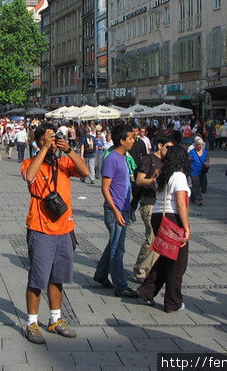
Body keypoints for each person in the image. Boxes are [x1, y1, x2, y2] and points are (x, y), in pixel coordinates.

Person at [21, 123, 89, 344]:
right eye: (46, 139)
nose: (51, 144)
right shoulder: (31, 162)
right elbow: (29, 177)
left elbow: (85, 172)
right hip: (40, 228)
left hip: (64, 228)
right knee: (37, 278)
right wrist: (44, 148)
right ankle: (31, 322)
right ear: (38, 140)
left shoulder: (64, 161)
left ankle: (55, 319)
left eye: (53, 139)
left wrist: (68, 149)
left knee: (58, 277)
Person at [136, 145, 192, 312]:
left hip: (158, 215)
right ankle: (172, 302)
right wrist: (187, 227)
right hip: (172, 217)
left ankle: (146, 291)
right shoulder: (179, 176)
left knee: (167, 257)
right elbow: (181, 204)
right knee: (178, 263)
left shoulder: (163, 173)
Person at [93, 124, 141, 298]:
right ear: (122, 140)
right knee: (118, 249)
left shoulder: (123, 157)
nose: (133, 140)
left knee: (113, 244)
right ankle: (120, 285)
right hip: (116, 210)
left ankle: (100, 274)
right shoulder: (112, 158)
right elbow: (105, 188)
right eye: (130, 138)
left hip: (123, 208)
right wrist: (116, 211)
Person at [133, 137, 174, 282]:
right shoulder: (149, 159)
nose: (169, 151)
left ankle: (146, 268)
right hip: (148, 202)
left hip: (161, 204)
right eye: (167, 147)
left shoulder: (168, 162)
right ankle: (141, 270)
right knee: (152, 238)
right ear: (160, 145)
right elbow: (139, 180)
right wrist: (154, 180)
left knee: (158, 238)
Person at [188, 137, 209, 205]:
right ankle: (199, 199)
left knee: (199, 185)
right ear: (195, 145)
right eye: (198, 145)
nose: (200, 146)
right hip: (193, 171)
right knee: (196, 185)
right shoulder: (192, 152)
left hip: (202, 171)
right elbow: (188, 160)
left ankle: (192, 198)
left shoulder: (205, 152)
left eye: (201, 145)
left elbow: (207, 159)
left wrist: (207, 163)